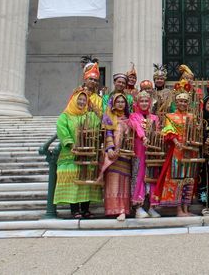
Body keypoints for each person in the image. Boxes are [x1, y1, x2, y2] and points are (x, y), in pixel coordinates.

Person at [54, 88, 103, 218]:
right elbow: (61, 129)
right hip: (71, 155)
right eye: (79, 100)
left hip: (87, 154)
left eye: (84, 100)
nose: (82, 102)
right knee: (73, 181)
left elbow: (100, 125)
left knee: (86, 182)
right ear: (74, 100)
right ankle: (75, 210)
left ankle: (85, 209)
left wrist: (96, 110)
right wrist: (71, 144)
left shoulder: (90, 116)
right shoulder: (65, 116)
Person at [153, 88, 200, 217]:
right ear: (176, 102)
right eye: (180, 101)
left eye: (185, 101)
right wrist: (175, 141)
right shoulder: (170, 116)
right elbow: (168, 131)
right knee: (177, 179)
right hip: (177, 151)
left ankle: (186, 208)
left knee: (189, 179)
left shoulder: (193, 116)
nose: (183, 103)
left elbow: (196, 132)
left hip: (191, 151)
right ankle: (179, 209)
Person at [127, 90, 161, 218]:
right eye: (142, 101)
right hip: (139, 151)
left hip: (152, 152)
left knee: (152, 176)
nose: (144, 103)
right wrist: (143, 137)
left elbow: (157, 132)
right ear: (137, 102)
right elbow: (137, 127)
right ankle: (138, 207)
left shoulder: (154, 118)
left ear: (150, 103)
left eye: (147, 101)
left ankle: (151, 206)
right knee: (139, 176)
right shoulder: (133, 116)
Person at [99, 92, 133, 220]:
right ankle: (111, 209)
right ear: (113, 103)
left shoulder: (129, 119)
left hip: (125, 154)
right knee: (113, 182)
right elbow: (107, 133)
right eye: (118, 101)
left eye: (122, 102)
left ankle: (123, 210)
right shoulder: (109, 117)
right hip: (112, 154)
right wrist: (110, 148)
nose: (120, 104)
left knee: (124, 182)